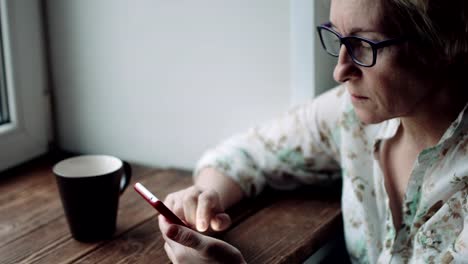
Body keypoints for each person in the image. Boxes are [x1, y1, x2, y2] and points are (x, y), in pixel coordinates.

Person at [158, 0, 468, 262]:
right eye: (338, 38)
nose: (340, 71)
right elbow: (246, 153)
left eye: (364, 44)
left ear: (444, 43)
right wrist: (204, 196)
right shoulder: (352, 118)